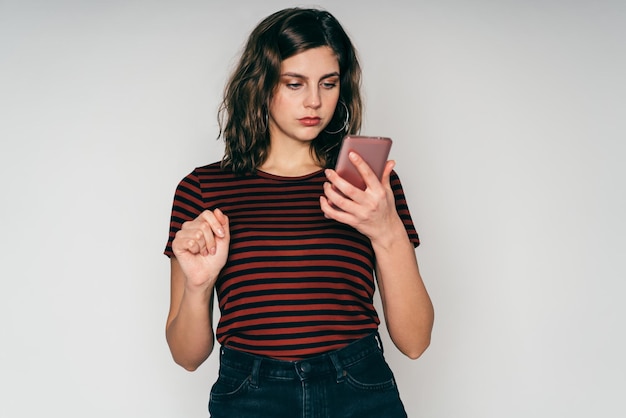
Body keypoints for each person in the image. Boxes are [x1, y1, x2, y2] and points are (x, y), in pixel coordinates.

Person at [164, 7, 434, 418]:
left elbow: (415, 342)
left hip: (358, 387)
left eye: (329, 83)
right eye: (295, 83)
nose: (314, 101)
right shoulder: (202, 190)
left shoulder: (366, 185)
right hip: (250, 394)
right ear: (260, 85)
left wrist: (386, 231)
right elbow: (186, 356)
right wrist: (200, 288)